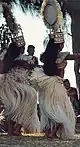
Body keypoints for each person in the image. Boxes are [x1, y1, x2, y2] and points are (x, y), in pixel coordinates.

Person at [30, 0, 80, 139]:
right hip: (55, 85)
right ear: (58, 43)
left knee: (50, 110)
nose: (63, 44)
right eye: (62, 42)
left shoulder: (48, 56)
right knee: (60, 109)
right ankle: (52, 132)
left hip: (47, 85)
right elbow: (75, 56)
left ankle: (50, 132)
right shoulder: (59, 56)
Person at [0, 3, 40, 136]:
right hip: (13, 86)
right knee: (29, 99)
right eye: (22, 47)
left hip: (15, 86)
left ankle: (14, 129)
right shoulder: (14, 59)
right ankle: (14, 129)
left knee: (17, 107)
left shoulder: (13, 58)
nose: (24, 48)